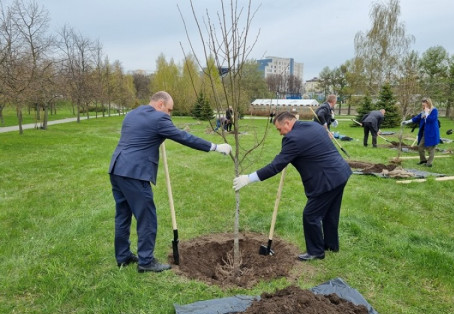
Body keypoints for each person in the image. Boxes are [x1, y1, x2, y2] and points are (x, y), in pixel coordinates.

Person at [109, 91, 232, 273]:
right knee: (147, 217)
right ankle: (146, 261)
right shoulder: (159, 119)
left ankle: (123, 256)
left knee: (123, 215)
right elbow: (184, 137)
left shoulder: (133, 114)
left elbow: (141, 135)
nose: (169, 114)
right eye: (169, 110)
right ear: (160, 104)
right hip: (135, 173)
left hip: (117, 168)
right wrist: (214, 147)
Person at [233, 111, 352, 261]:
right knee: (330, 213)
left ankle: (316, 251)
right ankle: (331, 245)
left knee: (311, 215)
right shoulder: (314, 126)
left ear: (288, 123)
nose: (280, 134)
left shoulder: (292, 139)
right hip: (341, 173)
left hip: (326, 180)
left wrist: (248, 178)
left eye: (279, 129)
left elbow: (275, 166)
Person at [402, 97, 440, 167]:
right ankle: (423, 160)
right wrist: (407, 122)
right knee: (420, 146)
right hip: (425, 132)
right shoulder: (423, 111)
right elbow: (417, 118)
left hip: (432, 132)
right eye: (422, 105)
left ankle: (429, 163)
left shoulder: (434, 111)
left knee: (431, 148)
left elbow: (431, 120)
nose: (423, 106)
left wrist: (426, 113)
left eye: (424, 105)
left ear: (428, 104)